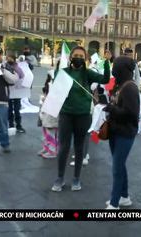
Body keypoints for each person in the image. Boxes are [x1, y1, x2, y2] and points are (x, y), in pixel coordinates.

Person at [51, 46, 111, 192]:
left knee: (79, 148)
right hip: (66, 114)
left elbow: (105, 79)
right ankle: (60, 178)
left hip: (83, 115)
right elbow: (55, 85)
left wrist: (107, 62)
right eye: (75, 55)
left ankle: (76, 178)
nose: (78, 57)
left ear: (84, 59)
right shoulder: (64, 72)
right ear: (71, 57)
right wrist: (59, 66)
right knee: (64, 148)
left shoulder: (88, 73)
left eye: (81, 55)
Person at [104, 55, 140, 209]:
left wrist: (112, 109)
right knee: (120, 165)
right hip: (115, 130)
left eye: (115, 66)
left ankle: (114, 203)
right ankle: (124, 197)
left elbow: (131, 113)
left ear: (122, 69)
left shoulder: (130, 88)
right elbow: (115, 103)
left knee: (117, 167)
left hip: (125, 132)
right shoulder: (120, 85)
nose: (113, 70)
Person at [38, 70, 59, 159]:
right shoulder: (49, 81)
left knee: (51, 129)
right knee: (45, 129)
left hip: (53, 109)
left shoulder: (57, 83)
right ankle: (46, 147)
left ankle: (52, 150)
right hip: (45, 108)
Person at [7, 52, 26, 133]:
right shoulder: (5, 67)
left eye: (10, 58)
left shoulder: (18, 68)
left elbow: (22, 77)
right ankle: (11, 125)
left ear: (14, 59)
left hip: (17, 92)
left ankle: (18, 125)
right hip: (8, 92)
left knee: (17, 109)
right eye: (7, 58)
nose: (8, 59)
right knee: (9, 110)